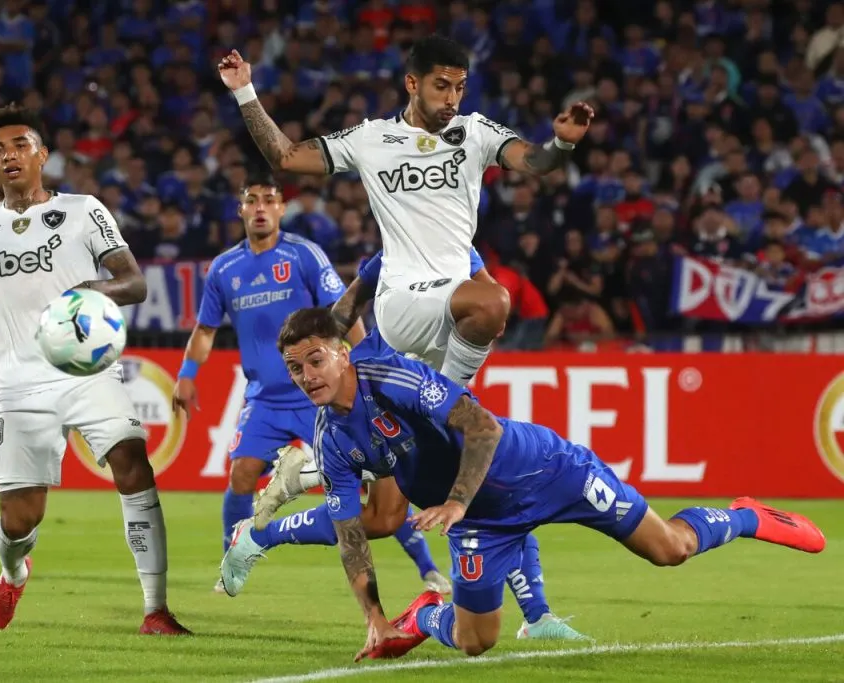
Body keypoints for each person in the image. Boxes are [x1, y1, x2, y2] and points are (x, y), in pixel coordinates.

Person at [275, 307, 825, 662]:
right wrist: (374, 617)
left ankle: (746, 516)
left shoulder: (391, 376)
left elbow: (483, 427)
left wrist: (456, 501)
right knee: (474, 642)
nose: (309, 377)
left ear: (342, 351)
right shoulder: (331, 440)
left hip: (549, 471)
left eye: (316, 360)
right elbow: (351, 534)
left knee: (671, 549)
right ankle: (422, 614)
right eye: (296, 369)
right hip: (480, 520)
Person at [0, 104, 188, 635]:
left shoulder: (84, 210)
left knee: (133, 463)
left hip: (88, 371)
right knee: (21, 520)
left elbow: (133, 283)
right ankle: (12, 575)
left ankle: (155, 609)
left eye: (20, 144)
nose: (8, 154)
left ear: (43, 155)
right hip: (20, 383)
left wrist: (92, 289)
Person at [225, 248, 588, 640]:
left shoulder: (456, 247)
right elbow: (350, 302)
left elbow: (489, 303)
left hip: (433, 395)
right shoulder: (404, 245)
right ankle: (272, 520)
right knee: (428, 507)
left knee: (407, 512)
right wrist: (338, 356)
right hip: (387, 395)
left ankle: (537, 616)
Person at [219, 35, 594, 385]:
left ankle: (439, 406)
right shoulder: (371, 139)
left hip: (451, 306)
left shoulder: (476, 132)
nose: (452, 100)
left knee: (428, 444)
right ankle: (450, 401)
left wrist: (561, 144)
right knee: (493, 302)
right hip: (402, 298)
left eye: (460, 88)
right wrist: (244, 91)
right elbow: (285, 156)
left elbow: (535, 160)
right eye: (442, 86)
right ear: (413, 84)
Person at [172, 171, 449, 595]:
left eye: (269, 199)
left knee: (377, 479)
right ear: (241, 209)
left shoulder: (304, 254)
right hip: (264, 397)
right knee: (242, 474)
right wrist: (187, 375)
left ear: (283, 208)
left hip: (317, 396)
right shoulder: (225, 268)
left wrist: (366, 366)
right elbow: (206, 329)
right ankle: (231, 560)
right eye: (252, 200)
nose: (261, 207)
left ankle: (427, 566)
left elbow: (345, 310)